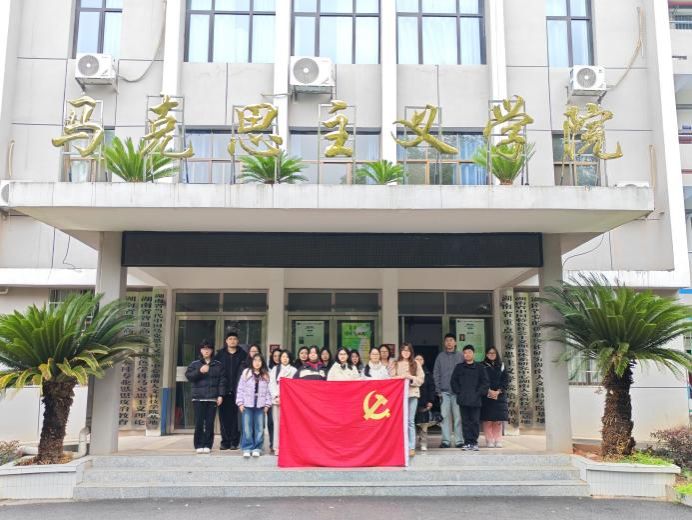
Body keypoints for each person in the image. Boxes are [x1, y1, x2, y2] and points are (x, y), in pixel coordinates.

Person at [185, 339, 226, 454]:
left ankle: (208, 444)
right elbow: (189, 377)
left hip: (212, 398)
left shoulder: (218, 365)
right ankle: (198, 444)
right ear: (201, 350)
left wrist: (220, 395)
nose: (206, 351)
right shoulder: (195, 364)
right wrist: (199, 371)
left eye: (208, 348)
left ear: (212, 350)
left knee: (209, 423)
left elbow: (222, 381)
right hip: (198, 398)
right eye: (204, 348)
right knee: (199, 422)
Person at [450, 345, 490, 451]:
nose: (467, 354)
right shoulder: (459, 367)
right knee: (465, 422)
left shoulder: (480, 367)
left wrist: (478, 393)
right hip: (463, 399)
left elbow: (485, 383)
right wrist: (459, 392)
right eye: (465, 353)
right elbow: (453, 381)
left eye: (469, 352)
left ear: (473, 354)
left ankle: (474, 442)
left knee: (475, 421)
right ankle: (467, 442)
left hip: (476, 399)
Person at [214, 332, 246, 450]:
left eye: (234, 339)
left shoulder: (243, 355)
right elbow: (216, 374)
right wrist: (218, 391)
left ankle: (234, 441)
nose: (232, 341)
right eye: (230, 339)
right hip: (223, 391)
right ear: (226, 341)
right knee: (224, 417)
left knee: (236, 418)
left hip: (238, 391)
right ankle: (225, 441)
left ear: (238, 341)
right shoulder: (219, 355)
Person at [391, 342, 425, 457]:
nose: (406, 352)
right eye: (404, 350)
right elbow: (391, 378)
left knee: (410, 421)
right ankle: (400, 445)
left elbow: (421, 379)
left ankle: (411, 447)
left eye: (408, 350)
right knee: (399, 421)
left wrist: (410, 378)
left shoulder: (415, 363)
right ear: (400, 351)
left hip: (412, 394)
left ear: (411, 352)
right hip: (399, 396)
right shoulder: (395, 363)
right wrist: (401, 377)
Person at [236, 353, 272, 458]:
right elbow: (240, 389)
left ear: (262, 362)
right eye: (255, 360)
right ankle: (247, 448)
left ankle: (257, 448)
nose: (257, 363)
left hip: (260, 405)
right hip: (247, 404)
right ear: (252, 362)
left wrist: (267, 404)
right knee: (247, 428)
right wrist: (240, 403)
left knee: (259, 428)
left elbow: (269, 391)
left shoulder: (265, 375)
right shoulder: (246, 372)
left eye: (259, 360)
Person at [433, 333, 463, 448]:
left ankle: (459, 440)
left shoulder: (460, 356)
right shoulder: (440, 357)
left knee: (458, 417)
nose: (449, 342)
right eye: (447, 341)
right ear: (444, 343)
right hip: (444, 392)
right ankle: (446, 441)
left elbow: (464, 373)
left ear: (455, 342)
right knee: (444, 417)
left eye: (451, 340)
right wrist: (438, 390)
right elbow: (436, 373)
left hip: (457, 392)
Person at [269, 350, 297, 456]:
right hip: (277, 401)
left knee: (289, 424)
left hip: (289, 401)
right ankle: (277, 447)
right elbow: (271, 384)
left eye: (287, 357)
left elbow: (294, 386)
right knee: (277, 424)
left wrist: (286, 397)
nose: (285, 359)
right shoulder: (275, 369)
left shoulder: (294, 370)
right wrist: (276, 396)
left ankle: (289, 447)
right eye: (283, 357)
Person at [481, 346, 509, 448]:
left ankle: (498, 440)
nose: (491, 355)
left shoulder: (502, 365)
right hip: (486, 396)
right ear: (486, 354)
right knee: (488, 419)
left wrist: (498, 391)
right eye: (489, 353)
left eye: (493, 353)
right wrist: (488, 390)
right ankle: (489, 440)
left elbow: (505, 380)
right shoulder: (482, 365)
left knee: (498, 420)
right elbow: (481, 380)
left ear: (496, 354)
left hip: (499, 396)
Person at [414, 353, 436, 452]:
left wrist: (431, 400)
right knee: (412, 422)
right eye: (417, 359)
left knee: (424, 424)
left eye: (421, 359)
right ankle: (412, 443)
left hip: (424, 401)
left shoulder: (427, 373)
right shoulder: (411, 371)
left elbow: (432, 388)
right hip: (413, 400)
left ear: (423, 361)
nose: (419, 361)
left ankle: (423, 442)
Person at [266, 347, 281, 451]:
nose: (277, 358)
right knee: (271, 422)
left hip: (281, 400)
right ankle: (272, 443)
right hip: (270, 399)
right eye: (275, 356)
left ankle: (280, 443)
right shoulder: (267, 369)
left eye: (279, 356)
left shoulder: (285, 368)